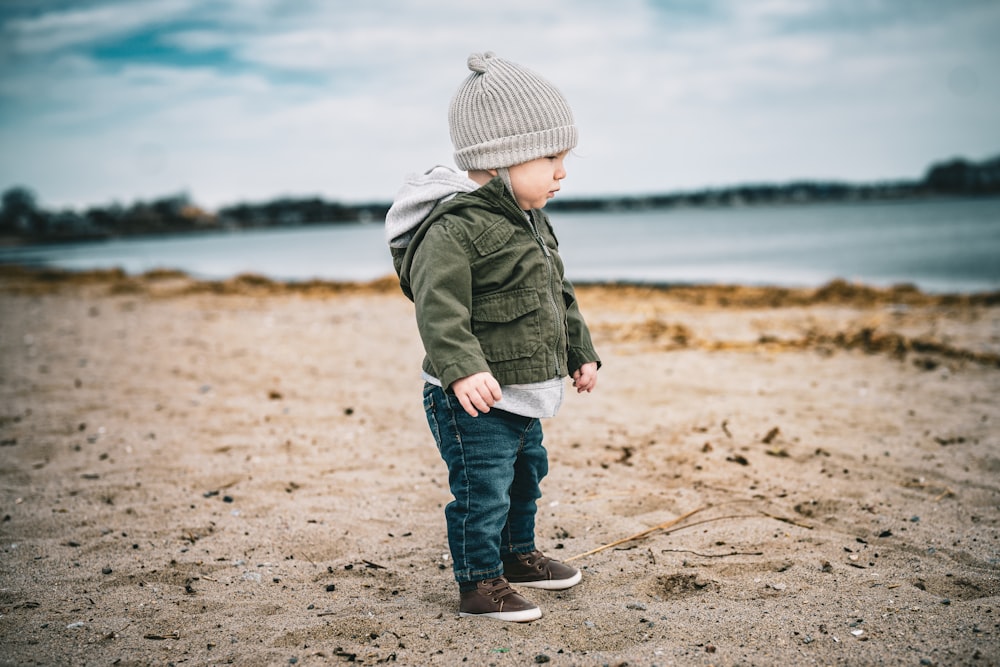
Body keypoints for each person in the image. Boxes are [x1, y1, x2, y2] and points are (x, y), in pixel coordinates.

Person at [385, 51, 601, 623]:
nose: (562, 172)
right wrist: (460, 367)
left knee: (526, 476)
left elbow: (558, 292)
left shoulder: (530, 219)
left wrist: (580, 351)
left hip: (523, 388)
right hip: (472, 396)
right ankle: (479, 584)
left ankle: (518, 555)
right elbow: (438, 306)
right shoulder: (454, 228)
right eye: (551, 157)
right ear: (502, 159)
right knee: (483, 491)